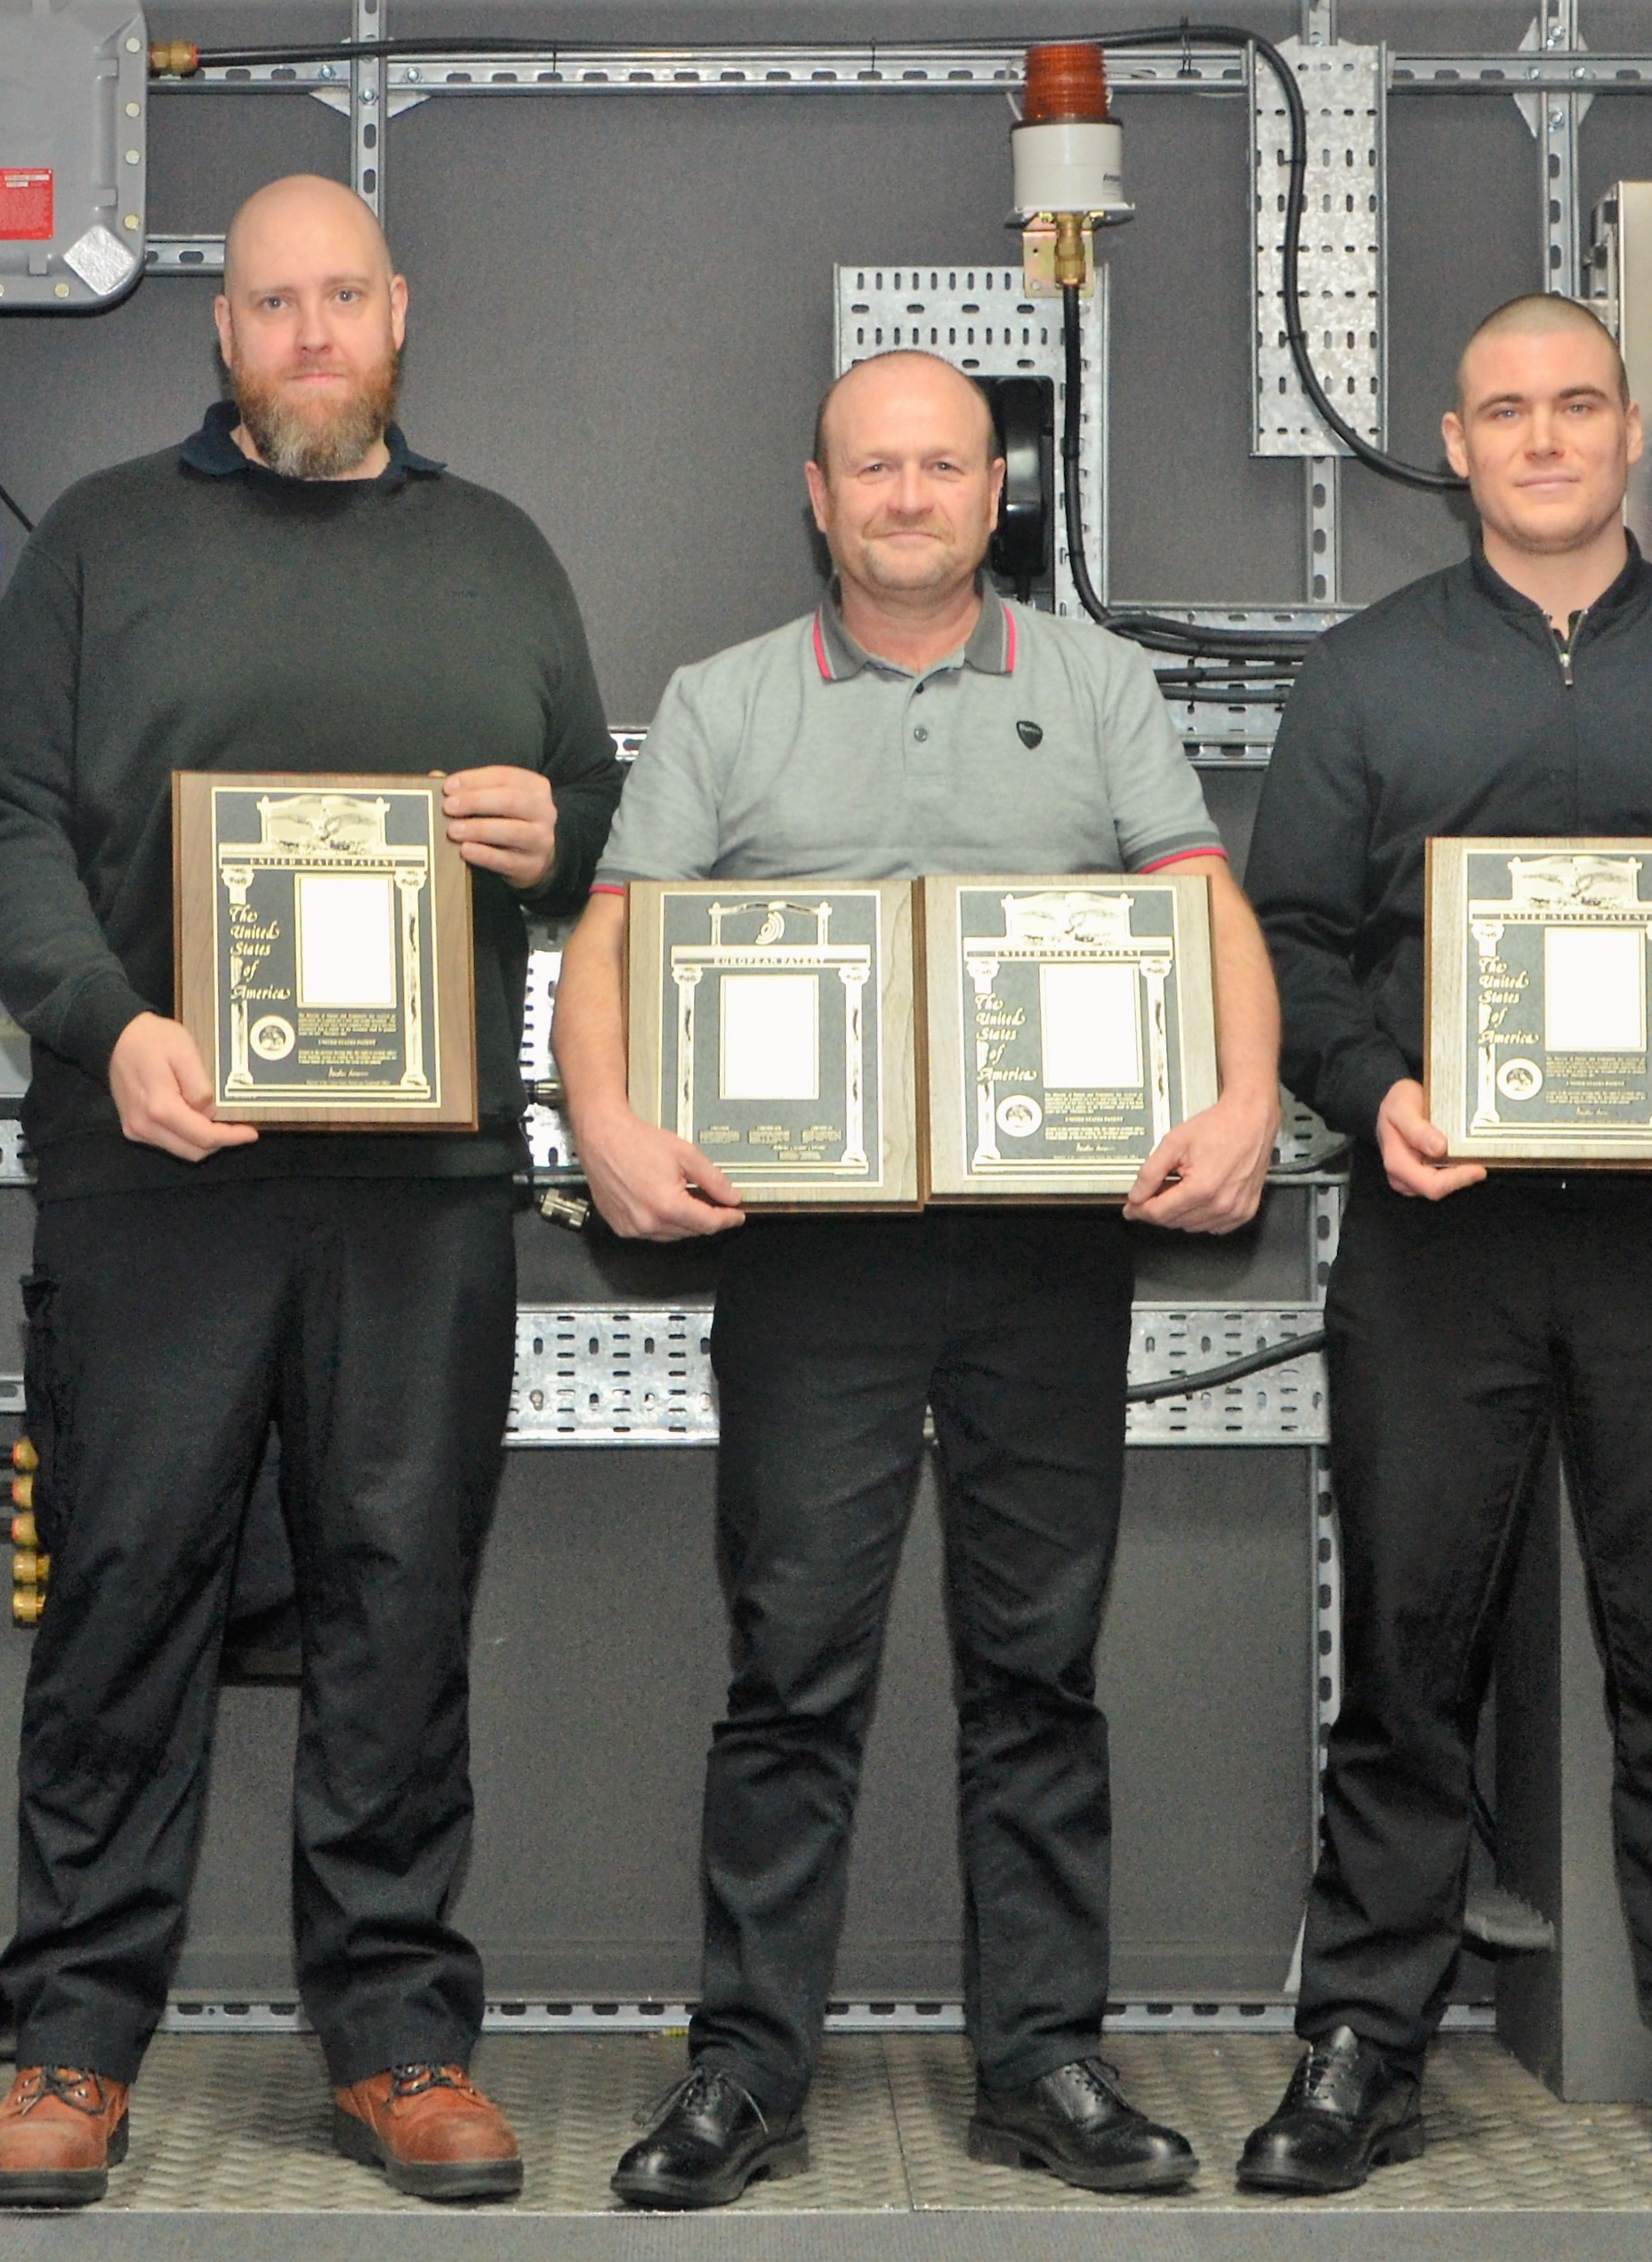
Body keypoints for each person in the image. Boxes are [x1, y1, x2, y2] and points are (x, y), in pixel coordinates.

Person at [0, 174, 621, 2210]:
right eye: (272, 303)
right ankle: (73, 2044)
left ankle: (401, 2040)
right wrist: (108, 1029)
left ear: (396, 311)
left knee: (400, 1604)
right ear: (219, 333)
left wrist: (552, 829)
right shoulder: (99, 544)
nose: (312, 331)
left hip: (420, 1197)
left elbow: (591, 818)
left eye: (343, 296)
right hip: (159, 1170)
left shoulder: (500, 551)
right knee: (126, 1597)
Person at [551, 347, 1285, 2209]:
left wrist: (1249, 1097)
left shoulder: (1097, 683)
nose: (906, 499)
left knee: (1040, 1666)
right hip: (811, 1265)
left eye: (941, 469)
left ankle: (1044, 2060)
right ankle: (745, 2070)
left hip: (1051, 1252)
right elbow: (616, 941)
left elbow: (1207, 908)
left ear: (992, 494)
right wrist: (609, 1127)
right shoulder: (722, 704)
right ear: (818, 492)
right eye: (873, 469)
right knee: (791, 1665)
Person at [1238, 294, 1652, 2203]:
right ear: (1457, 442)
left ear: (1627, 435)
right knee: (1408, 1655)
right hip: (1438, 1238)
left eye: (1577, 405)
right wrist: (1375, 1090)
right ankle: (1363, 2044)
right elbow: (1285, 942)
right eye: (1506, 409)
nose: (1542, 439)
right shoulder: (1367, 680)